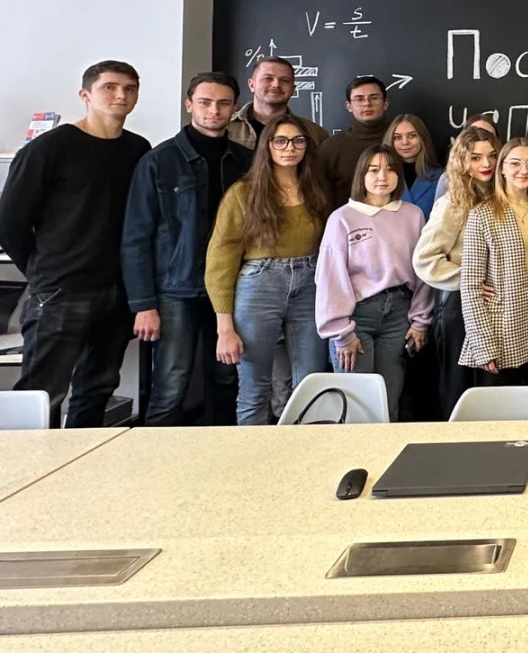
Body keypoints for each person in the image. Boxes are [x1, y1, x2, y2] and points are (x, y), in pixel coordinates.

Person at [0, 60, 151, 428]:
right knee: (43, 391)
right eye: (110, 87)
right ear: (85, 95)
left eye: (130, 88)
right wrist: (40, 271)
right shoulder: (50, 148)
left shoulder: (138, 149)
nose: (121, 95)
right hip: (61, 289)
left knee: (98, 388)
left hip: (118, 290)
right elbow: (10, 221)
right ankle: (29, 463)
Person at [122, 71, 252, 426]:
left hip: (232, 286)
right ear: (189, 105)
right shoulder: (159, 161)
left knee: (228, 379)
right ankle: (156, 457)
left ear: (235, 108)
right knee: (171, 383)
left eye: (223, 103)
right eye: (205, 102)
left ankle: (222, 454)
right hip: (176, 289)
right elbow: (135, 237)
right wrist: (143, 304)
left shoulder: (246, 161)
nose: (214, 111)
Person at [206, 115, 332, 425]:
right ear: (267, 146)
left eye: (298, 141)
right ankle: (254, 453)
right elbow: (221, 261)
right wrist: (225, 328)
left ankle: (305, 451)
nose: (290, 148)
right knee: (254, 388)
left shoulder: (316, 190)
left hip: (310, 285)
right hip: (260, 285)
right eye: (281, 141)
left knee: (311, 383)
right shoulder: (243, 193)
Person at [315, 144, 433, 421]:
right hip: (357, 317)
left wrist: (420, 321)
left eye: (390, 169)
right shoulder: (342, 218)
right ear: (361, 175)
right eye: (373, 169)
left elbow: (423, 271)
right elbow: (330, 279)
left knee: (388, 401)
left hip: (398, 315)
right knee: (356, 404)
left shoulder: (412, 215)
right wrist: (341, 333)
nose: (382, 176)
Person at [459, 139, 528, 416]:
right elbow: (471, 286)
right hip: (500, 324)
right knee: (502, 415)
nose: (524, 170)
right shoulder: (482, 215)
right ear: (502, 169)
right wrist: (483, 345)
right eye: (515, 163)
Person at [413, 125, 498, 417]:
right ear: (462, 160)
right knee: (459, 387)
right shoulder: (453, 202)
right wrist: (469, 280)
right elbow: (424, 259)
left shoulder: (501, 197)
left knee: (490, 389)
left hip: (494, 304)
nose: (486, 164)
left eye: (492, 156)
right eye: (476, 157)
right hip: (459, 307)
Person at [317, 76, 391, 205]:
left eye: (374, 98)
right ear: (349, 106)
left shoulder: (401, 141)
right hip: (346, 216)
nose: (367, 103)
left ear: (385, 104)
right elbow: (323, 194)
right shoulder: (331, 147)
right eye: (359, 99)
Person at [226, 57, 324, 150]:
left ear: (293, 89)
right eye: (267, 78)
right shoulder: (225, 127)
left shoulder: (315, 134)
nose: (276, 85)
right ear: (252, 85)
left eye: (285, 80)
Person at [383, 114, 442, 219]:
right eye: (397, 137)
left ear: (422, 138)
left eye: (412, 136)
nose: (405, 142)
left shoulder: (440, 177)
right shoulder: (380, 177)